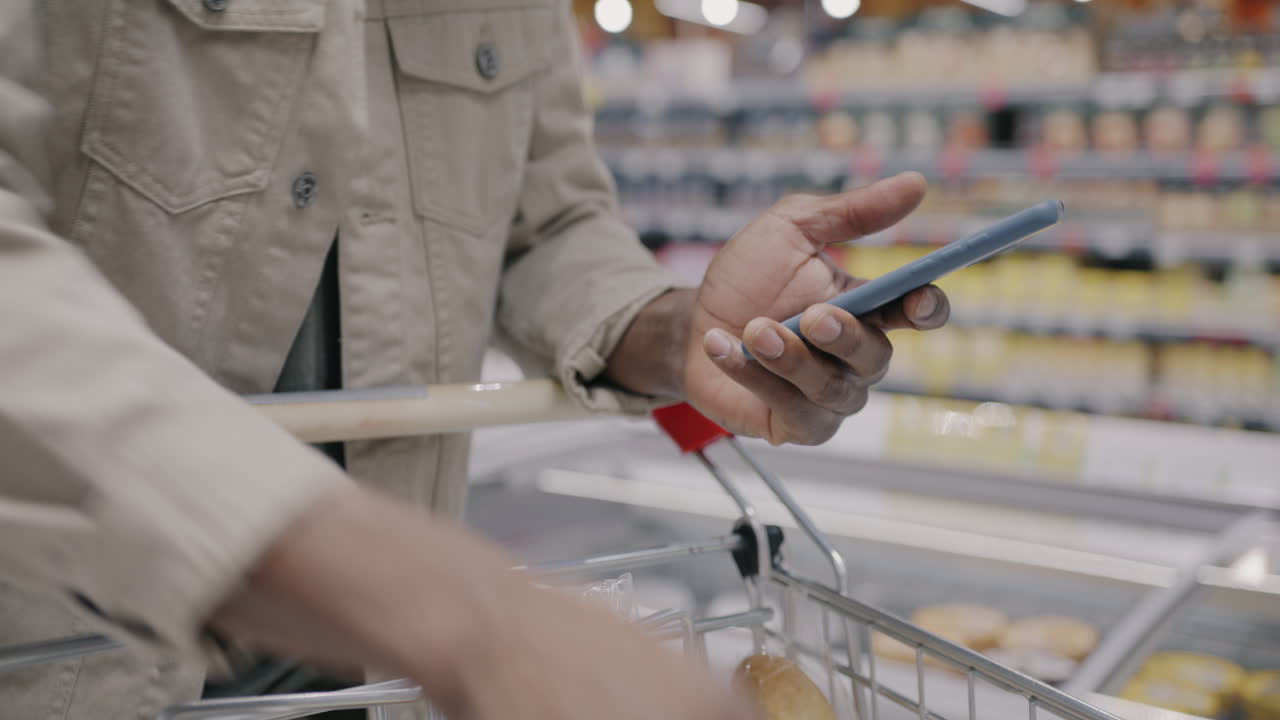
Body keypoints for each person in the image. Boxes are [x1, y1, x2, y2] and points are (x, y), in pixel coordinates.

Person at [0, 1, 949, 719]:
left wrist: (686, 328)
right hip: (68, 663)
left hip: (372, 688)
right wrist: (460, 612)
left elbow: (548, 223)